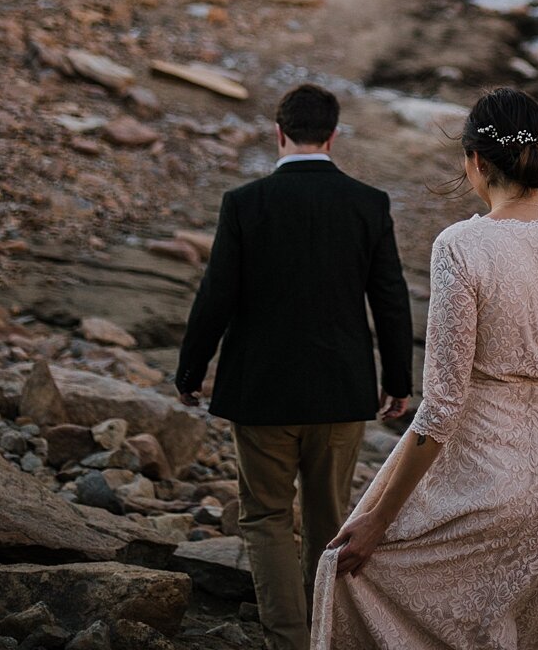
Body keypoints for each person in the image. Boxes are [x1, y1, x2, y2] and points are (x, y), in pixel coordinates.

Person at [310, 86, 538, 650]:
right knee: (509, 629)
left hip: (479, 470)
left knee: (353, 574)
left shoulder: (461, 247)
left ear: (477, 161)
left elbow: (440, 409)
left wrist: (377, 522)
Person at [175, 83, 414, 650]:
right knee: (330, 517)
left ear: (278, 133)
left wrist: (191, 371)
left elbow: (216, 297)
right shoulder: (368, 203)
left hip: (260, 394)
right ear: (332, 136)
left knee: (265, 518)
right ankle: (327, 631)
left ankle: (286, 638)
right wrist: (398, 382)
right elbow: (390, 299)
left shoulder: (244, 203)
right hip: (340, 392)